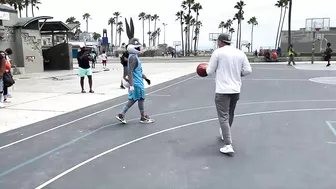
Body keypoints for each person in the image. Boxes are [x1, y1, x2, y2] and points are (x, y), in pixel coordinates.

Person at [205, 33, 252, 155]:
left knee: (223, 117)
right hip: (235, 90)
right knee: (230, 113)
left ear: (220, 41)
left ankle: (228, 144)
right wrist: (237, 74)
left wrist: (204, 69)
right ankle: (225, 134)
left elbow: (209, 71)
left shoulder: (218, 52)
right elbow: (248, 70)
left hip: (222, 90)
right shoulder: (240, 53)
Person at [116, 17, 154, 124]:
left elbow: (137, 71)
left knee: (133, 100)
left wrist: (146, 78)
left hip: (138, 82)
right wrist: (132, 85)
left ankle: (122, 114)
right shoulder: (133, 58)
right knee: (140, 99)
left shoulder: (134, 57)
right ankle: (142, 117)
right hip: (137, 84)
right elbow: (130, 72)